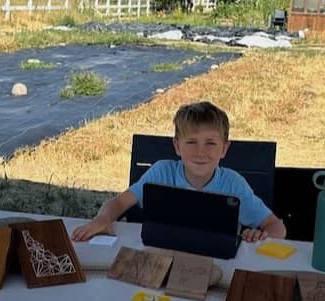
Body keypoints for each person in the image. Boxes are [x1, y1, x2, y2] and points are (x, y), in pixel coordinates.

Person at [72, 101, 287, 243]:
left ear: (224, 149)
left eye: (210, 143)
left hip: (216, 264)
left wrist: (261, 237)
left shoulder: (234, 185)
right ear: (177, 147)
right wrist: (103, 218)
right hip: (160, 257)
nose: (200, 152)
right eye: (191, 142)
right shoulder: (161, 173)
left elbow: (277, 227)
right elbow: (118, 203)